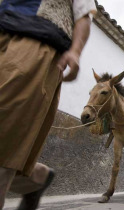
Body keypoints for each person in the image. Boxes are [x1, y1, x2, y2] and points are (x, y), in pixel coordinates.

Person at [0, 1, 96, 209]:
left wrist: (76, 51)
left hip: (35, 42)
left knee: (4, 138)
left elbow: (84, 13)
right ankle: (35, 179)